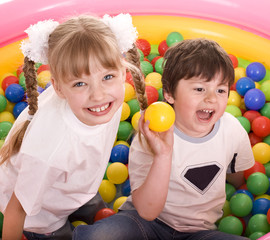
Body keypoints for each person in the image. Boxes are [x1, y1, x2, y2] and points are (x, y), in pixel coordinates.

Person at [73, 38, 255, 240]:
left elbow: (236, 177)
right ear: (169, 94)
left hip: (200, 233)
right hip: (145, 224)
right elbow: (147, 212)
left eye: (221, 90)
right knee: (99, 237)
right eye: (199, 89)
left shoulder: (232, 130)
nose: (211, 98)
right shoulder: (153, 133)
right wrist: (163, 154)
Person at [0, 13, 147, 240]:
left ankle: (83, 200)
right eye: (80, 83)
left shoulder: (107, 100)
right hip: (40, 215)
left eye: (108, 76)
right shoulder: (48, 148)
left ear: (123, 71)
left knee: (100, 216)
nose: (98, 94)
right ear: (58, 88)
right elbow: (16, 209)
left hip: (76, 185)